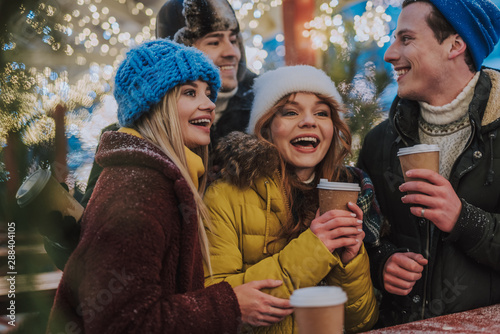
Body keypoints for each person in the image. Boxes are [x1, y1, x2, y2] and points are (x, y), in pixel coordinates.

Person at [46, 39, 289, 333]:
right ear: (153, 103)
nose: (210, 104)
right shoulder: (138, 190)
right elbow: (123, 324)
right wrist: (230, 305)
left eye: (209, 93)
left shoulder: (161, 177)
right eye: (190, 92)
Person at [41, 0, 257, 270]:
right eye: (214, 42)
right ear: (177, 52)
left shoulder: (262, 123)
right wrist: (64, 230)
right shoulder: (126, 142)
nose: (231, 52)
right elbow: (94, 259)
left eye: (235, 40)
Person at [203, 65, 379, 333]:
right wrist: (314, 249)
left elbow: (362, 321)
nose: (309, 121)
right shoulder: (225, 195)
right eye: (291, 112)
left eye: (321, 113)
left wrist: (350, 262)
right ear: (266, 127)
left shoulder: (345, 190)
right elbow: (219, 308)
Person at [357, 0, 500, 327]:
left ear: (455, 44)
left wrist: (464, 220)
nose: (389, 54)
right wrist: (382, 262)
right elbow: (365, 235)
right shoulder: (379, 142)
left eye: (406, 39)